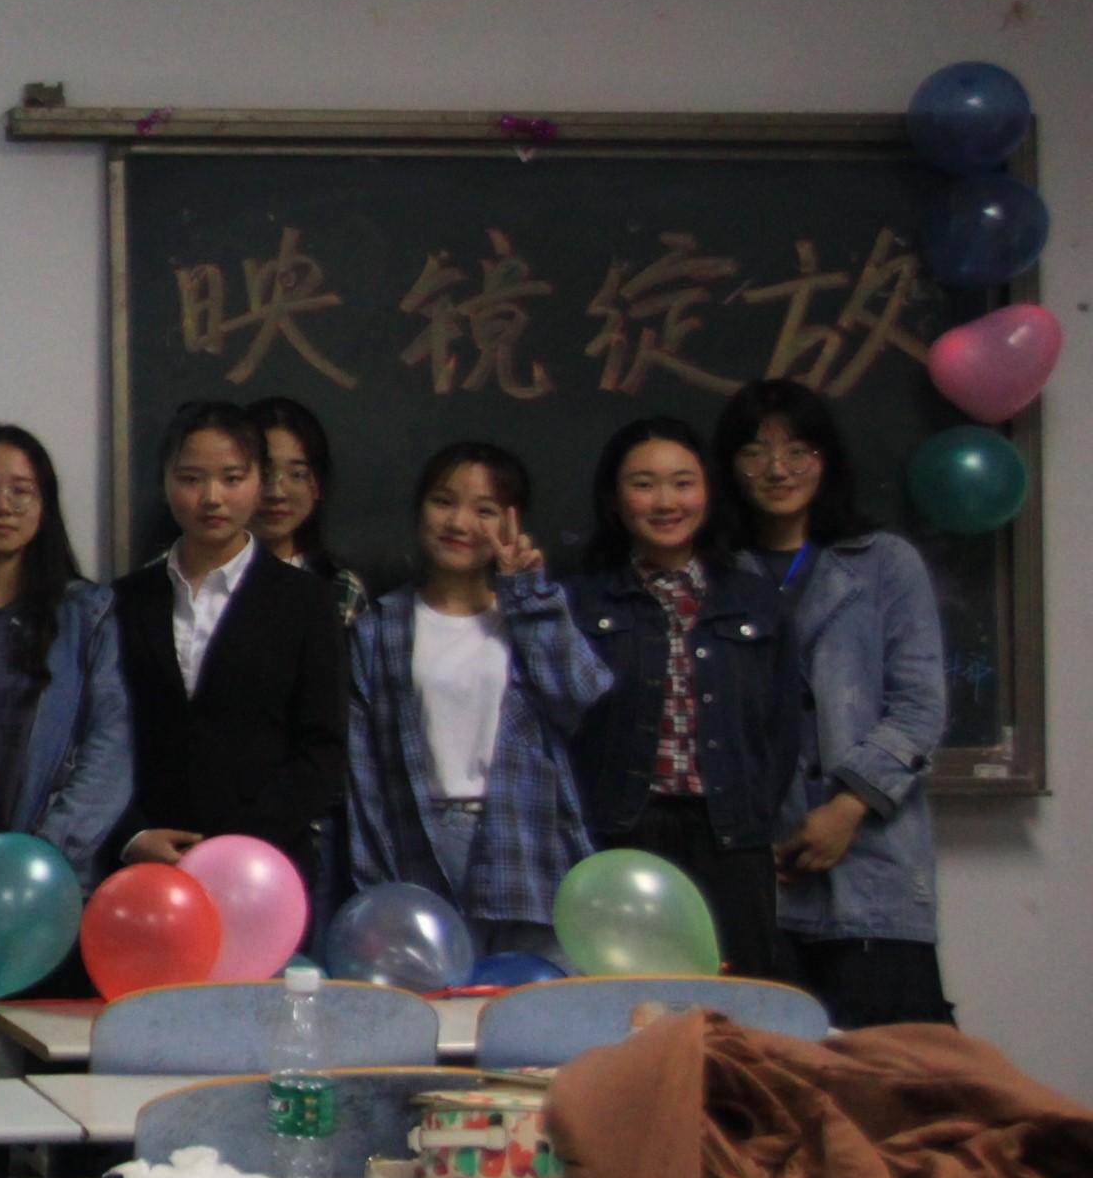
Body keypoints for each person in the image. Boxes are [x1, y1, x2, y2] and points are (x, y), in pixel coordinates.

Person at [714, 378, 955, 1026]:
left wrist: (847, 808)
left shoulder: (884, 563)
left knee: (890, 1074)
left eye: (799, 450)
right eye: (755, 452)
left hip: (872, 866)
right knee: (769, 1074)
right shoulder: (713, 572)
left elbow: (920, 707)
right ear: (729, 466)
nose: (778, 469)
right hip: (760, 871)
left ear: (827, 460)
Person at [344, 441, 614, 959]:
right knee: (436, 997)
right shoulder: (381, 626)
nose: (459, 522)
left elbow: (579, 695)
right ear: (419, 509)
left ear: (512, 523)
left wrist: (526, 593)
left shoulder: (527, 609)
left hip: (525, 838)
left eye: (484, 509)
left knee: (535, 995)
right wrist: (376, 882)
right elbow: (365, 773)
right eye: (443, 501)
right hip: (423, 839)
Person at [569, 416, 799, 981]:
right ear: (615, 498)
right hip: (619, 829)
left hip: (730, 834)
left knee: (738, 997)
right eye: (644, 484)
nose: (666, 501)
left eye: (682, 482)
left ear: (708, 492)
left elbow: (782, 727)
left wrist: (759, 816)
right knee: (624, 998)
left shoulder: (755, 599)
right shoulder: (579, 600)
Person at [108, 400, 349, 914]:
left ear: (259, 482)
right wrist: (132, 833)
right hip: (148, 869)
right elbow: (99, 737)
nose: (212, 497)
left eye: (232, 478)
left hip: (264, 870)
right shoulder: (124, 600)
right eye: (191, 479)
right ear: (165, 482)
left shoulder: (306, 600)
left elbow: (322, 749)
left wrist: (234, 845)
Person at [0, 423, 132, 880]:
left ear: (45, 505)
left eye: (21, 491)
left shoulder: (86, 616)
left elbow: (109, 748)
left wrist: (41, 855)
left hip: (52, 875)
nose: (3, 506)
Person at [248, 394, 369, 627]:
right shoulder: (201, 574)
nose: (277, 493)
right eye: (264, 472)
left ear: (318, 486)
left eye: (297, 474)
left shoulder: (338, 586)